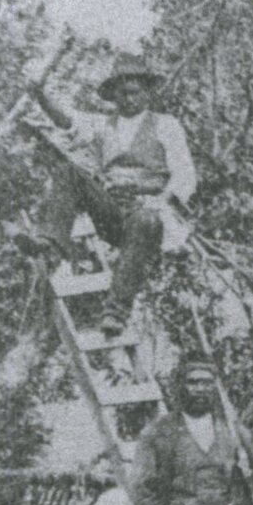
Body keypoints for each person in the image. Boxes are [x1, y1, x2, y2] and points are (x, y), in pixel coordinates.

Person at [30, 52, 197, 317]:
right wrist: (40, 95)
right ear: (114, 96)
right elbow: (67, 121)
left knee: (145, 219)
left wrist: (160, 200)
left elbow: (185, 175)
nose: (129, 100)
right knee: (68, 171)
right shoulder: (102, 124)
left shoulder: (166, 125)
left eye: (134, 92)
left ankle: (117, 310)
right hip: (114, 213)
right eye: (122, 94)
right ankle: (49, 242)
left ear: (146, 92)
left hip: (152, 215)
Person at [130, 354, 253, 505]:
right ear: (180, 386)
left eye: (207, 383)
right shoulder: (157, 432)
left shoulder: (228, 430)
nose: (200, 389)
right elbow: (142, 495)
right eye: (193, 382)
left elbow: (245, 483)